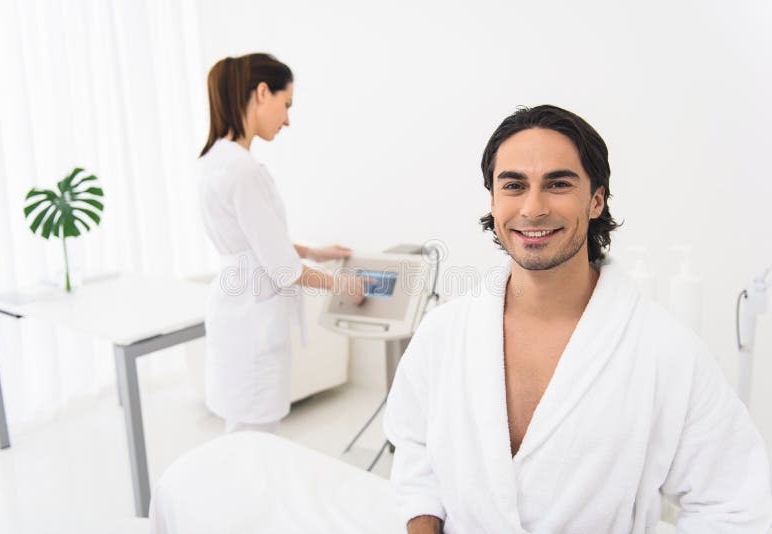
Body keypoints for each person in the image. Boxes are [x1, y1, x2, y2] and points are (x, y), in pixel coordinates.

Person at [383, 105, 772, 533]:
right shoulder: (444, 332)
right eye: (513, 185)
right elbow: (415, 452)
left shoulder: (668, 353)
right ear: (493, 201)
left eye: (558, 184)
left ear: (596, 200)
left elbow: (736, 506)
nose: (533, 208)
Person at [198, 53, 365, 434]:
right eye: (285, 104)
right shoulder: (243, 170)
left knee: (240, 426)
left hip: (233, 310)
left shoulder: (214, 160)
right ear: (261, 92)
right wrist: (343, 284)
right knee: (256, 434)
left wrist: (312, 252)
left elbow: (251, 239)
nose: (287, 119)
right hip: (253, 319)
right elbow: (282, 270)